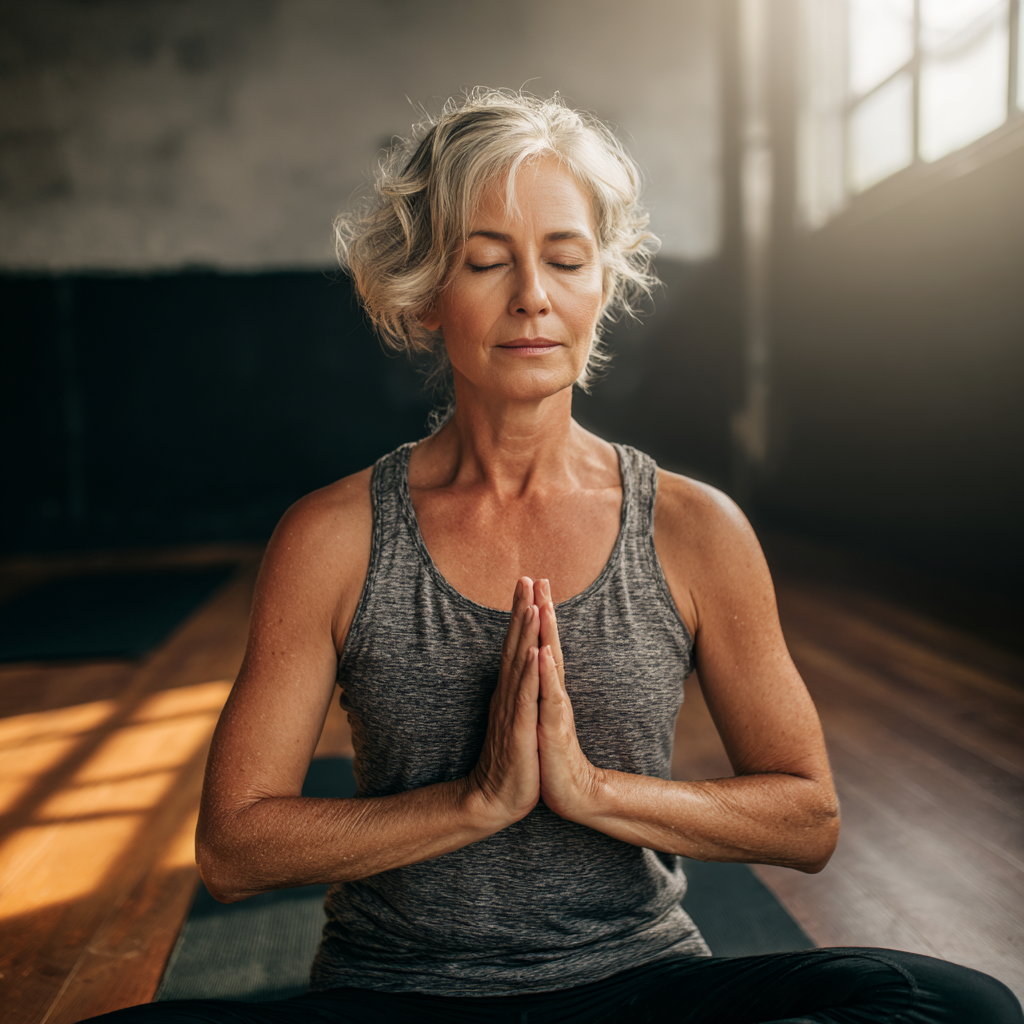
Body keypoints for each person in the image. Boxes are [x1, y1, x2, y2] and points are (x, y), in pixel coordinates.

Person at [86, 89, 1021, 1024]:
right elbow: (236, 848)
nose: (533, 294)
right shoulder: (334, 536)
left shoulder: (693, 528)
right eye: (487, 262)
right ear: (423, 302)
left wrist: (591, 791)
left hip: (639, 989)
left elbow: (807, 820)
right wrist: (474, 803)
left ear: (600, 288)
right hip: (399, 995)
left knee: (957, 1006)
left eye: (566, 259)